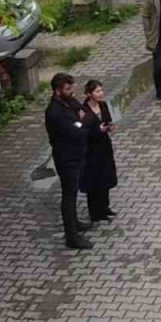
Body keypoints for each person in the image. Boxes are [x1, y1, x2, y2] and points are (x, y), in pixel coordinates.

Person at [44, 73, 92, 250]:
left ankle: (75, 223)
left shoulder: (68, 101)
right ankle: (72, 237)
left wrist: (81, 120)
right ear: (57, 91)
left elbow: (84, 113)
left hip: (76, 153)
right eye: (67, 89)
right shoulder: (55, 112)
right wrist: (81, 123)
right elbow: (77, 130)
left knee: (73, 192)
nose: (72, 92)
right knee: (69, 195)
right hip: (66, 158)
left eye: (72, 88)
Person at [80, 80, 118, 223]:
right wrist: (97, 130)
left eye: (101, 90)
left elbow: (107, 119)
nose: (101, 94)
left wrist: (109, 127)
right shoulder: (83, 110)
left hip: (104, 146)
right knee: (93, 180)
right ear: (89, 94)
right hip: (91, 150)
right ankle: (95, 212)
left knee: (105, 177)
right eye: (97, 91)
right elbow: (83, 130)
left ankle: (105, 207)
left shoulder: (103, 105)